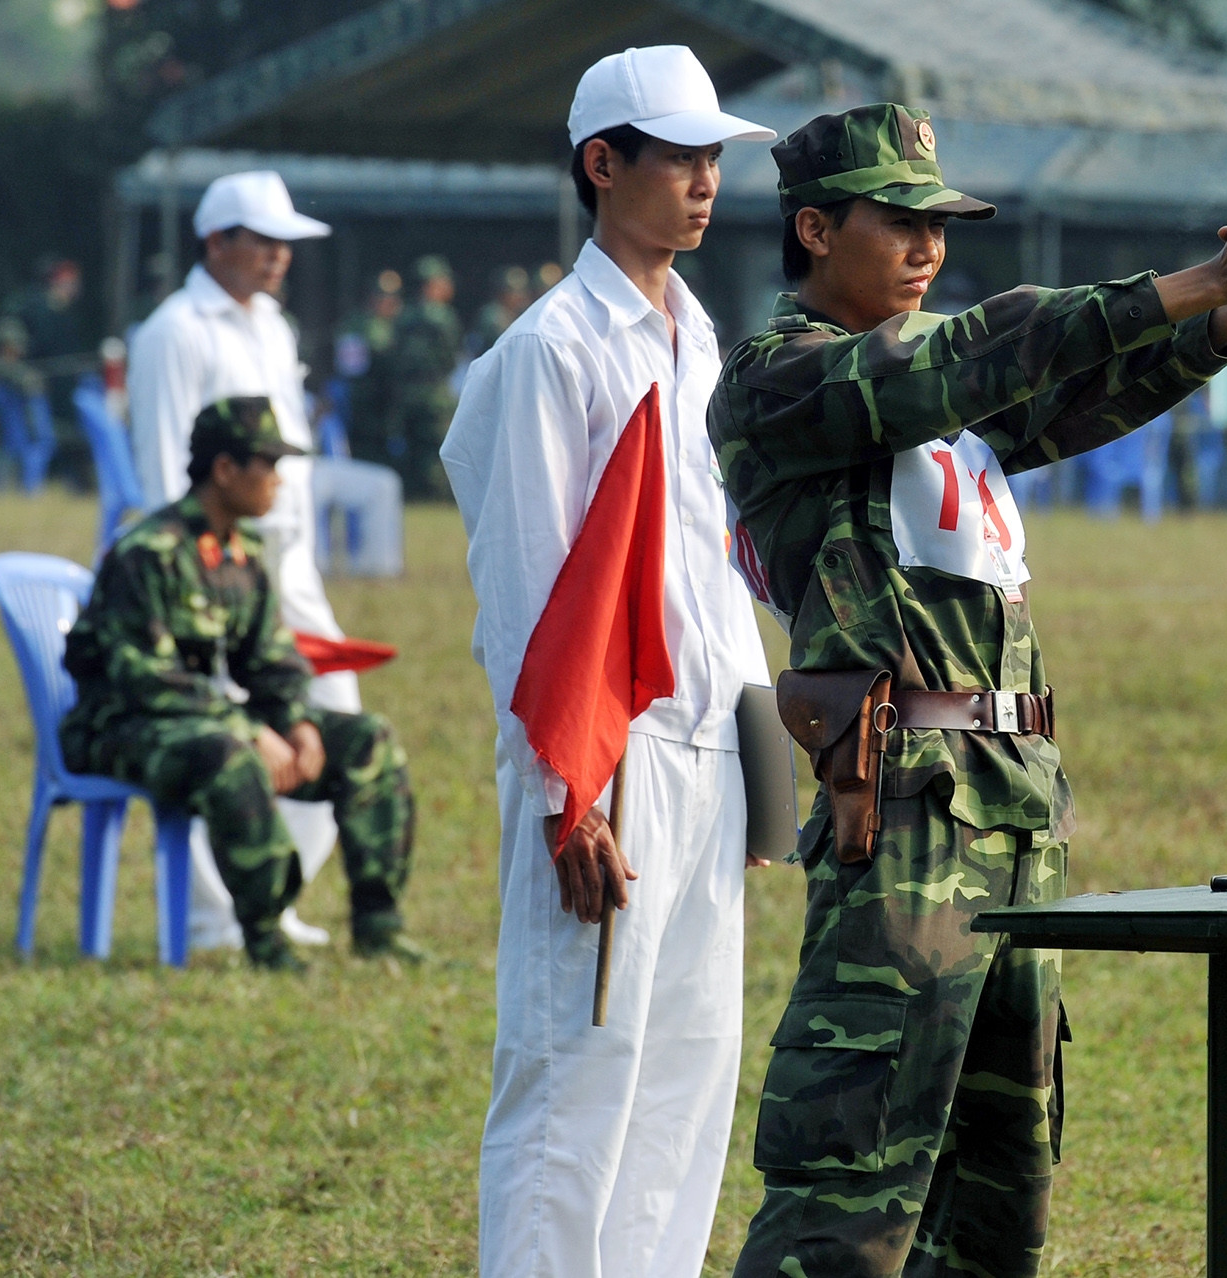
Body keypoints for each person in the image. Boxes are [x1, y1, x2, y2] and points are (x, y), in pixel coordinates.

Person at [710, 101, 1227, 1278]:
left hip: (1013, 813)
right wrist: (1193, 281)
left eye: (939, 224)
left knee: (1001, 1196)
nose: (928, 246)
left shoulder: (945, 403)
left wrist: (1225, 319)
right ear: (814, 229)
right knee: (849, 1194)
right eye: (898, 221)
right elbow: (973, 353)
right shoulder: (779, 382)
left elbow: (1074, 388)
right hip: (899, 815)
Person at [440, 45, 775, 1278]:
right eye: (679, 156)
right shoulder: (553, 349)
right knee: (575, 1076)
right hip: (608, 755)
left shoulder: (702, 340)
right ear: (602, 163)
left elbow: (724, 573)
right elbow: (528, 593)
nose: (705, 180)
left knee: (687, 1075)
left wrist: (759, 765)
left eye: (713, 158)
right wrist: (562, 795)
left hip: (709, 750)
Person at [59, 398, 416, 971]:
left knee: (367, 740)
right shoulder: (147, 553)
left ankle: (379, 927)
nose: (278, 480)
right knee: (231, 758)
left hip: (198, 721)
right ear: (225, 469)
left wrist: (296, 723)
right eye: (267, 464)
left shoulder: (241, 553)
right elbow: (149, 681)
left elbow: (271, 660)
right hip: (120, 727)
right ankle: (265, 938)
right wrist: (249, 731)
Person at [126, 169, 356, 953]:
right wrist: (195, 568)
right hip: (204, 565)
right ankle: (212, 916)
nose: (278, 256)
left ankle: (273, 897)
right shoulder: (175, 331)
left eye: (286, 243)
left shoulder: (272, 325)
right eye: (263, 240)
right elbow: (163, 469)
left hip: (285, 563)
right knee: (218, 727)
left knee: (331, 706)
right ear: (216, 241)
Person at [389, 255, 464, 498]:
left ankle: (415, 493)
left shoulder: (403, 316)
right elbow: (451, 358)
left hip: (407, 395)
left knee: (412, 449)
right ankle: (436, 495)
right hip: (436, 395)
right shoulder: (444, 317)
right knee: (437, 451)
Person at [333, 269, 404, 465]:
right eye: (381, 296)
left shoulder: (402, 324)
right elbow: (349, 366)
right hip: (364, 401)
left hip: (394, 402)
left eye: (391, 297)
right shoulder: (356, 324)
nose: (386, 302)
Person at [0, 315, 55, 491]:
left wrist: (29, 381)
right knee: (15, 448)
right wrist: (22, 381)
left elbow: (34, 388)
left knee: (33, 446)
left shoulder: (18, 369)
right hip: (6, 426)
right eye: (15, 343)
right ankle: (7, 489)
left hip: (24, 425)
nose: (19, 347)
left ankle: (28, 487)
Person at [469, 265, 532, 355]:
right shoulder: (491, 314)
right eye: (513, 292)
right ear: (501, 292)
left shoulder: (521, 312)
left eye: (521, 292)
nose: (519, 297)